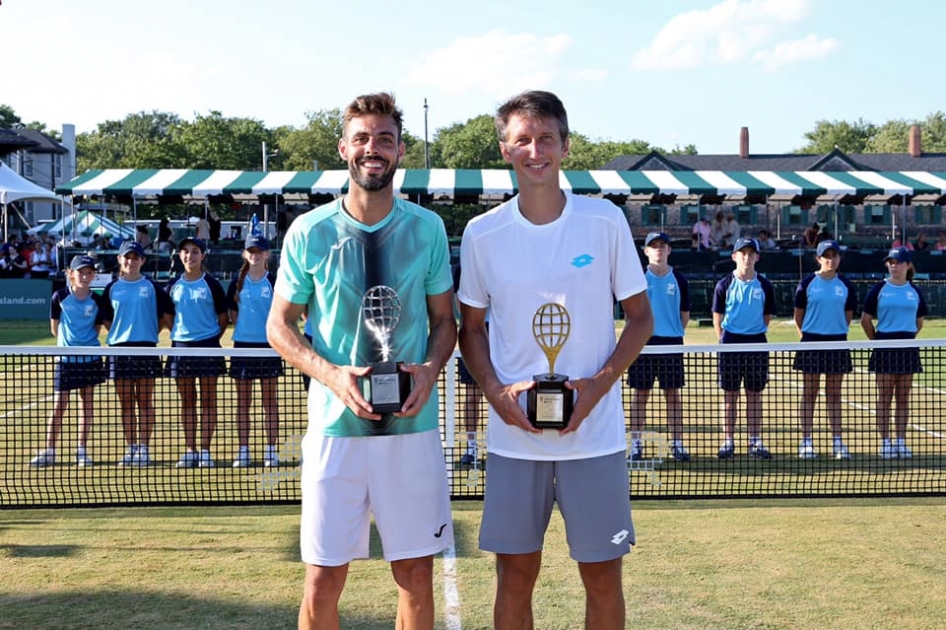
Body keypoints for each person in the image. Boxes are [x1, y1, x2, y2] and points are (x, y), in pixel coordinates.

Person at [458, 90, 652, 630]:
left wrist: (596, 387)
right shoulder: (482, 233)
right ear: (505, 149)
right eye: (523, 139)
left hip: (595, 440)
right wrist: (497, 395)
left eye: (546, 138)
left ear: (565, 146)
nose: (535, 150)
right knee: (515, 576)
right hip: (515, 440)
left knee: (602, 578)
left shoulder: (605, 220)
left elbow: (640, 319)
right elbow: (470, 330)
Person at [266, 92, 457, 630]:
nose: (374, 148)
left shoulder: (428, 229)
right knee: (323, 580)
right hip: (334, 432)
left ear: (400, 151)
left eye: (385, 139)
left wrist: (429, 370)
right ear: (344, 148)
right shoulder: (309, 231)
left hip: (412, 431)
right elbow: (279, 325)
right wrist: (332, 376)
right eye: (363, 138)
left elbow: (446, 322)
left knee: (416, 575)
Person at [29, 255, 110, 467]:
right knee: (59, 405)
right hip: (65, 361)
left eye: (88, 272)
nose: (84, 276)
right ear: (71, 274)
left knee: (87, 406)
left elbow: (97, 329)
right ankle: (50, 451)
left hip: (90, 359)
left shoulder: (98, 300)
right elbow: (54, 328)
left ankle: (81, 452)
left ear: (93, 275)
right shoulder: (59, 297)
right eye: (80, 272)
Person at [103, 241, 174, 466]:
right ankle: (131, 447)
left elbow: (166, 315)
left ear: (142, 260)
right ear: (120, 260)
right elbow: (106, 319)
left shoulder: (153, 287)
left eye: (136, 257)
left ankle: (144, 448)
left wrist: (149, 330)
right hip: (119, 351)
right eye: (127, 257)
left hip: (145, 350)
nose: (131, 261)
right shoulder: (111, 288)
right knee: (125, 403)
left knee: (144, 401)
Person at [627, 231, 691, 462]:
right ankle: (635, 444)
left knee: (672, 395)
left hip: (671, 344)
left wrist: (672, 332)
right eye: (654, 246)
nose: (659, 250)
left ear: (669, 250)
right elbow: (629, 313)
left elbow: (684, 314)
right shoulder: (637, 279)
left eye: (663, 246)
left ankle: (677, 444)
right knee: (640, 395)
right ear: (645, 251)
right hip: (643, 344)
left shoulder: (680, 280)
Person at [166, 237, 229, 468]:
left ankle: (205, 451)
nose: (189, 256)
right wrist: (182, 334)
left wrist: (210, 337)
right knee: (187, 402)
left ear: (203, 255)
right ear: (180, 256)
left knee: (209, 401)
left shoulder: (211, 284)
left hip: (209, 347)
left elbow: (224, 318)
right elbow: (168, 316)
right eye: (185, 252)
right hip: (181, 349)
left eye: (194, 252)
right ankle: (190, 450)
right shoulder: (173, 285)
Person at [792, 240, 857, 459]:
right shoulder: (807, 283)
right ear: (818, 258)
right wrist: (809, 337)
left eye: (834, 255)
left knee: (834, 395)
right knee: (809, 393)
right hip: (811, 343)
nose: (830, 259)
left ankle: (837, 441)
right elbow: (798, 316)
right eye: (826, 255)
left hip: (837, 343)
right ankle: (807, 441)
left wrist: (834, 332)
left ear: (839, 258)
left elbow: (848, 317)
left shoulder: (846, 285)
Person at [860, 247, 927, 459]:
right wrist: (878, 342)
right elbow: (865, 320)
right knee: (885, 397)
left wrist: (906, 338)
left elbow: (919, 322)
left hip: (907, 349)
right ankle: (885, 442)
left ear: (908, 265)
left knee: (903, 398)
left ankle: (900, 441)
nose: (894, 266)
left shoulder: (914, 291)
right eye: (891, 262)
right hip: (884, 348)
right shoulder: (879, 289)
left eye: (898, 262)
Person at [712, 237, 776, 460]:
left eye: (751, 253)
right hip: (730, 343)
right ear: (734, 256)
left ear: (757, 257)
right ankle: (728, 441)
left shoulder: (765, 285)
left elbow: (766, 317)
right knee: (730, 396)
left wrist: (753, 333)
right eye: (742, 253)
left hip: (757, 343)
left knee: (755, 396)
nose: (747, 257)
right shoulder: (724, 285)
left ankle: (755, 441)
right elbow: (717, 318)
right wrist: (725, 340)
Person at [227, 234, 282, 468]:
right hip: (242, 348)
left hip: (268, 348)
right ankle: (244, 450)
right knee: (243, 403)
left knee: (269, 402)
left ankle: (271, 450)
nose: (255, 255)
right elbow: (232, 315)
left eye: (259, 251)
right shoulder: (236, 282)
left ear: (267, 254)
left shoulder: (275, 281)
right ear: (245, 254)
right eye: (251, 250)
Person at [452, 262, 484, 466]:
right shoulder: (462, 267)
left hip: (503, 336)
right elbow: (459, 303)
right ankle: (472, 448)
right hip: (473, 334)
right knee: (473, 396)